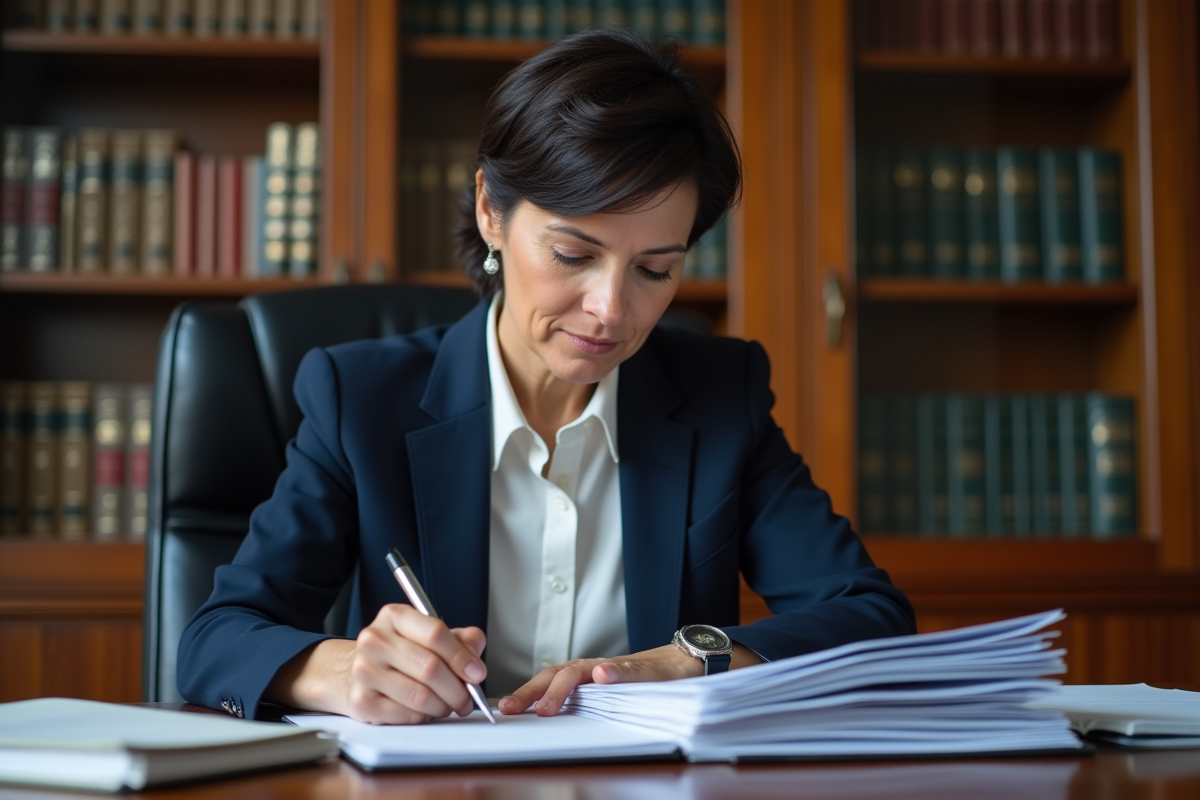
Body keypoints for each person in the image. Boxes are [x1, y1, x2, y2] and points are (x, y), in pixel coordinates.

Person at [178, 28, 915, 724]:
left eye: (655, 269)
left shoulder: (722, 396)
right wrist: (340, 672)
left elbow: (870, 615)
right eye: (573, 254)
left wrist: (694, 659)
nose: (610, 309)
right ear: (491, 212)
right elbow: (216, 638)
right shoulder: (362, 400)